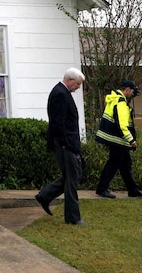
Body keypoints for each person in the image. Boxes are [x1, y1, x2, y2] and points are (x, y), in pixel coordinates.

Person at [35, 67, 86, 225]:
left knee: (73, 176)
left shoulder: (62, 92)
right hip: (65, 144)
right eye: (77, 84)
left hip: (67, 143)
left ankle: (45, 196)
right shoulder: (60, 94)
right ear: (70, 80)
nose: (78, 88)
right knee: (71, 179)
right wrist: (65, 144)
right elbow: (58, 123)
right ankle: (73, 218)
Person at [94, 80, 142, 198]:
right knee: (113, 164)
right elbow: (122, 124)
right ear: (127, 89)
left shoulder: (115, 99)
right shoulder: (120, 102)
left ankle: (132, 190)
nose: (133, 95)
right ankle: (101, 188)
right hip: (117, 139)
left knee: (125, 164)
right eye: (133, 92)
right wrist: (131, 140)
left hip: (114, 138)